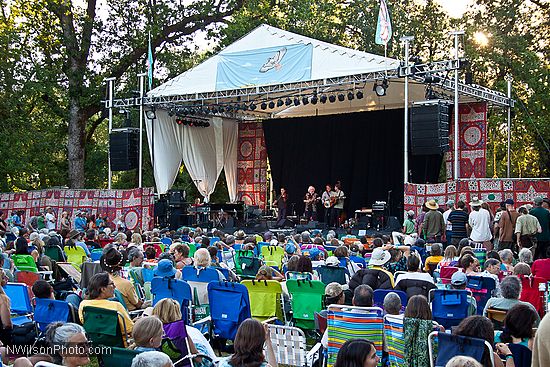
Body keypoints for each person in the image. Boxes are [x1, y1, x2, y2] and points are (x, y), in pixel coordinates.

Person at [152, 298, 216, 360]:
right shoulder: (180, 329)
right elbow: (198, 359)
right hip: (185, 363)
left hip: (164, 363)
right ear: (177, 313)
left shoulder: (152, 331)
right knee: (199, 345)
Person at [78, 272, 134, 337]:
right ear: (103, 289)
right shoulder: (116, 306)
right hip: (120, 345)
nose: (115, 286)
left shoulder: (84, 305)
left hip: (95, 344)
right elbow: (130, 330)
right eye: (112, 284)